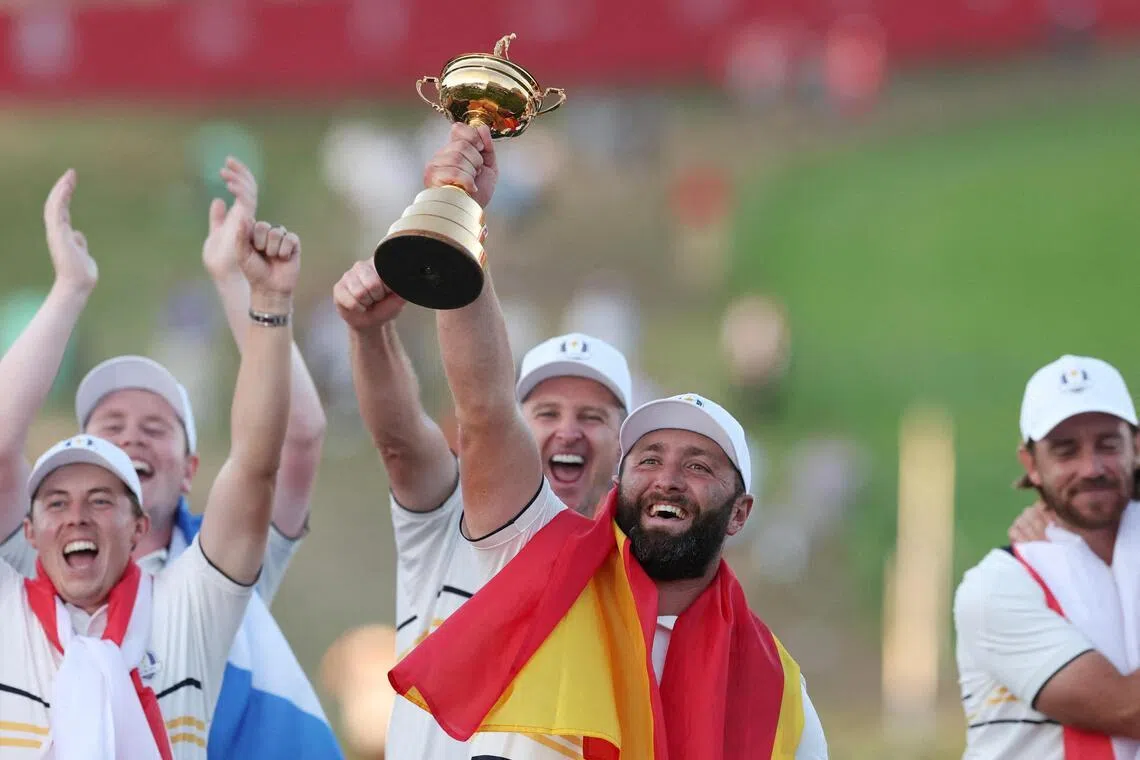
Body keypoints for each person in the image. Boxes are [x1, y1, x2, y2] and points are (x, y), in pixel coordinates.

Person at [377, 123, 828, 759]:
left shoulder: (779, 695)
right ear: (622, 480)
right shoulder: (544, 560)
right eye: (648, 458)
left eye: (698, 465)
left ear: (741, 512)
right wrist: (461, 217)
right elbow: (484, 411)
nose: (667, 476)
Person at [0, 165, 341, 758]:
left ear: (189, 469)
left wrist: (243, 285)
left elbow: (283, 443)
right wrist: (69, 288)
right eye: (111, 429)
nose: (132, 440)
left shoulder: (205, 579)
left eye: (156, 428)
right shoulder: (30, 569)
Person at [335, 259, 632, 759]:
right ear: (515, 430)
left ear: (625, 447)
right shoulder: (448, 525)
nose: (569, 431)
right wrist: (369, 335)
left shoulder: (639, 585)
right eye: (546, 413)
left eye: (592, 416)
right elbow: (402, 441)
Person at [954, 354, 1140, 758]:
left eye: (1108, 444)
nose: (1091, 467)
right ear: (1030, 463)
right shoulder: (997, 586)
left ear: (1136, 447)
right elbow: (1128, 710)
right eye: (1065, 450)